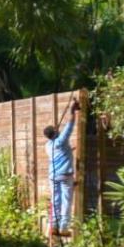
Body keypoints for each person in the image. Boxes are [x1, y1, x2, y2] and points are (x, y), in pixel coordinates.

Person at [44, 98, 80, 238]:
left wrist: (70, 150)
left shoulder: (48, 146)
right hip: (65, 175)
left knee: (55, 200)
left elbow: (60, 152)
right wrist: (72, 111)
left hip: (53, 176)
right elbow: (70, 126)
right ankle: (64, 227)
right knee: (66, 200)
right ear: (55, 133)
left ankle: (53, 226)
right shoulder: (60, 141)